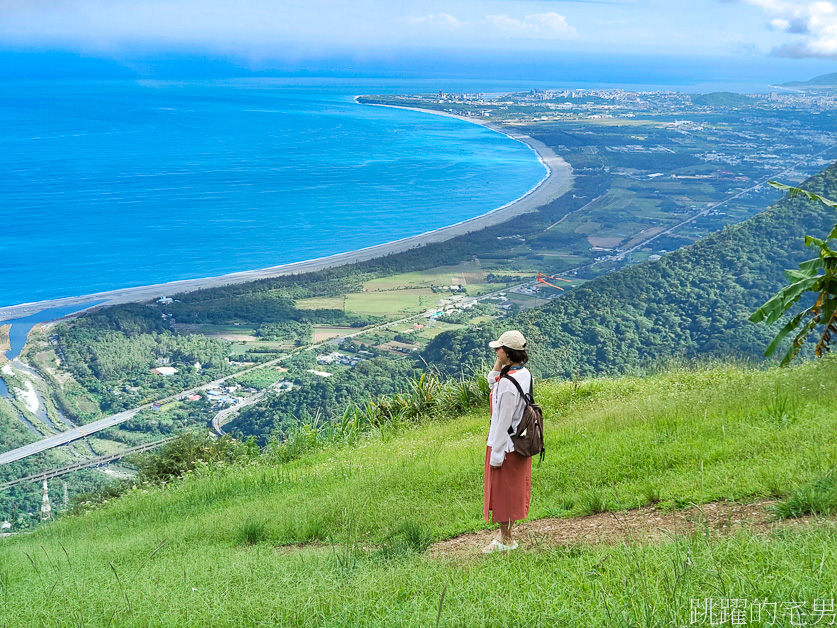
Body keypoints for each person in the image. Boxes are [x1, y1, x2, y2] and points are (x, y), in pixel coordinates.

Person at [482, 329, 532, 553]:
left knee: (502, 494)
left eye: (499, 349)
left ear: (509, 353)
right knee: (512, 491)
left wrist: (497, 453)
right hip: (517, 442)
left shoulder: (508, 385)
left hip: (505, 444)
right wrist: (502, 361)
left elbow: (502, 421)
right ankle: (505, 535)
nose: (495, 351)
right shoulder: (521, 374)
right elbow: (491, 380)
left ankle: (506, 540)